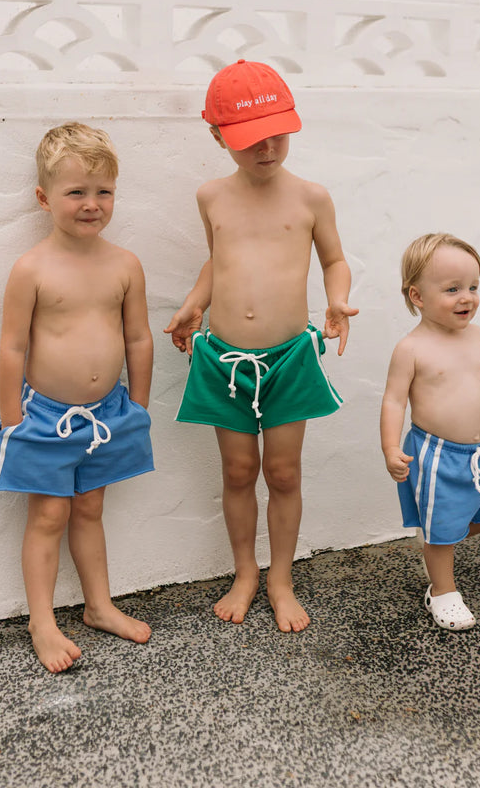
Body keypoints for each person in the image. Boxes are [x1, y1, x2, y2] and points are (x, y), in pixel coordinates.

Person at [165, 59, 358, 633]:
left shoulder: (310, 198)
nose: (268, 147)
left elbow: (334, 259)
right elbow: (218, 259)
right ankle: (245, 571)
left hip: (289, 358)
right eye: (251, 138)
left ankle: (280, 578)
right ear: (218, 136)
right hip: (224, 359)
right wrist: (195, 303)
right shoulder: (211, 197)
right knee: (238, 469)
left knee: (283, 471)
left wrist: (338, 300)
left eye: (278, 133)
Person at [0, 122, 154, 672]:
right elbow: (12, 346)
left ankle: (99, 605)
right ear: (44, 198)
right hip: (44, 417)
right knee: (49, 515)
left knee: (90, 507)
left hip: (108, 414)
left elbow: (137, 337)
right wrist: (13, 416)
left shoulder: (125, 264)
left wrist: (140, 404)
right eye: (76, 192)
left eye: (103, 191)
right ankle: (42, 620)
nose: (91, 204)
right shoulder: (31, 268)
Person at [380, 232, 480, 631]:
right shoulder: (411, 348)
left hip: (479, 453)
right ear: (417, 297)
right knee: (441, 533)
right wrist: (391, 447)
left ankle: (440, 542)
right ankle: (442, 590)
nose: (468, 297)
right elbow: (394, 401)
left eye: (474, 287)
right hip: (436, 454)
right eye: (453, 289)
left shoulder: (477, 336)